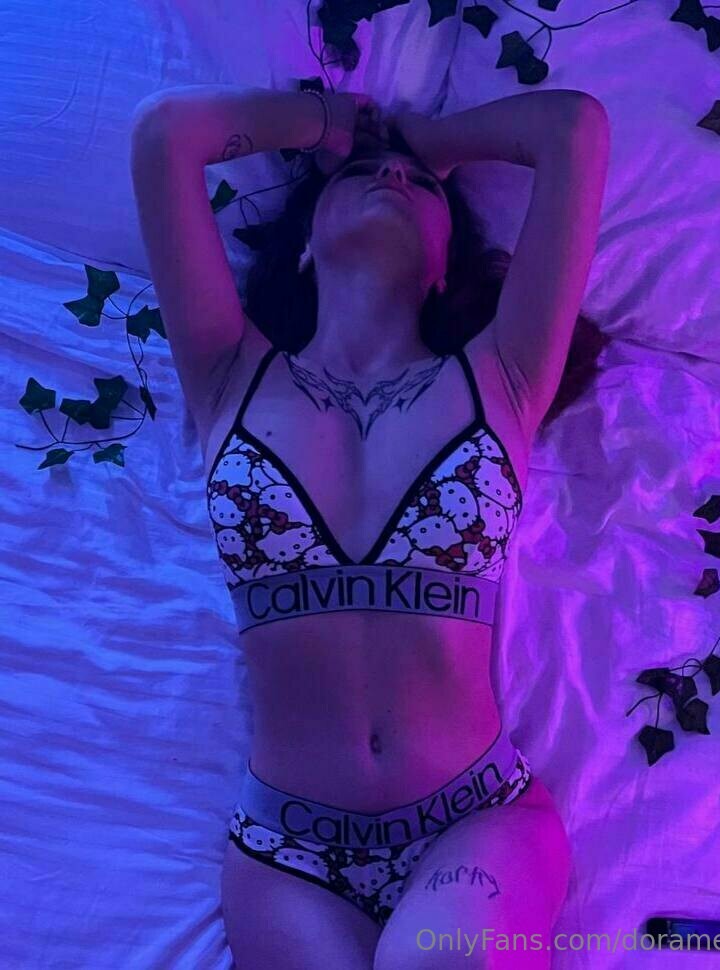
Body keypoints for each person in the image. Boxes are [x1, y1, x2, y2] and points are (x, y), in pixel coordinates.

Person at [130, 83, 610, 969]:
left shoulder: (502, 376)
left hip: (474, 819)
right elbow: (168, 138)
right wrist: (327, 126)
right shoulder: (228, 373)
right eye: (360, 177)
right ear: (304, 247)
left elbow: (572, 128)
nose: (391, 176)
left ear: (445, 266)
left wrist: (431, 139)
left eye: (418, 186)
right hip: (287, 853)